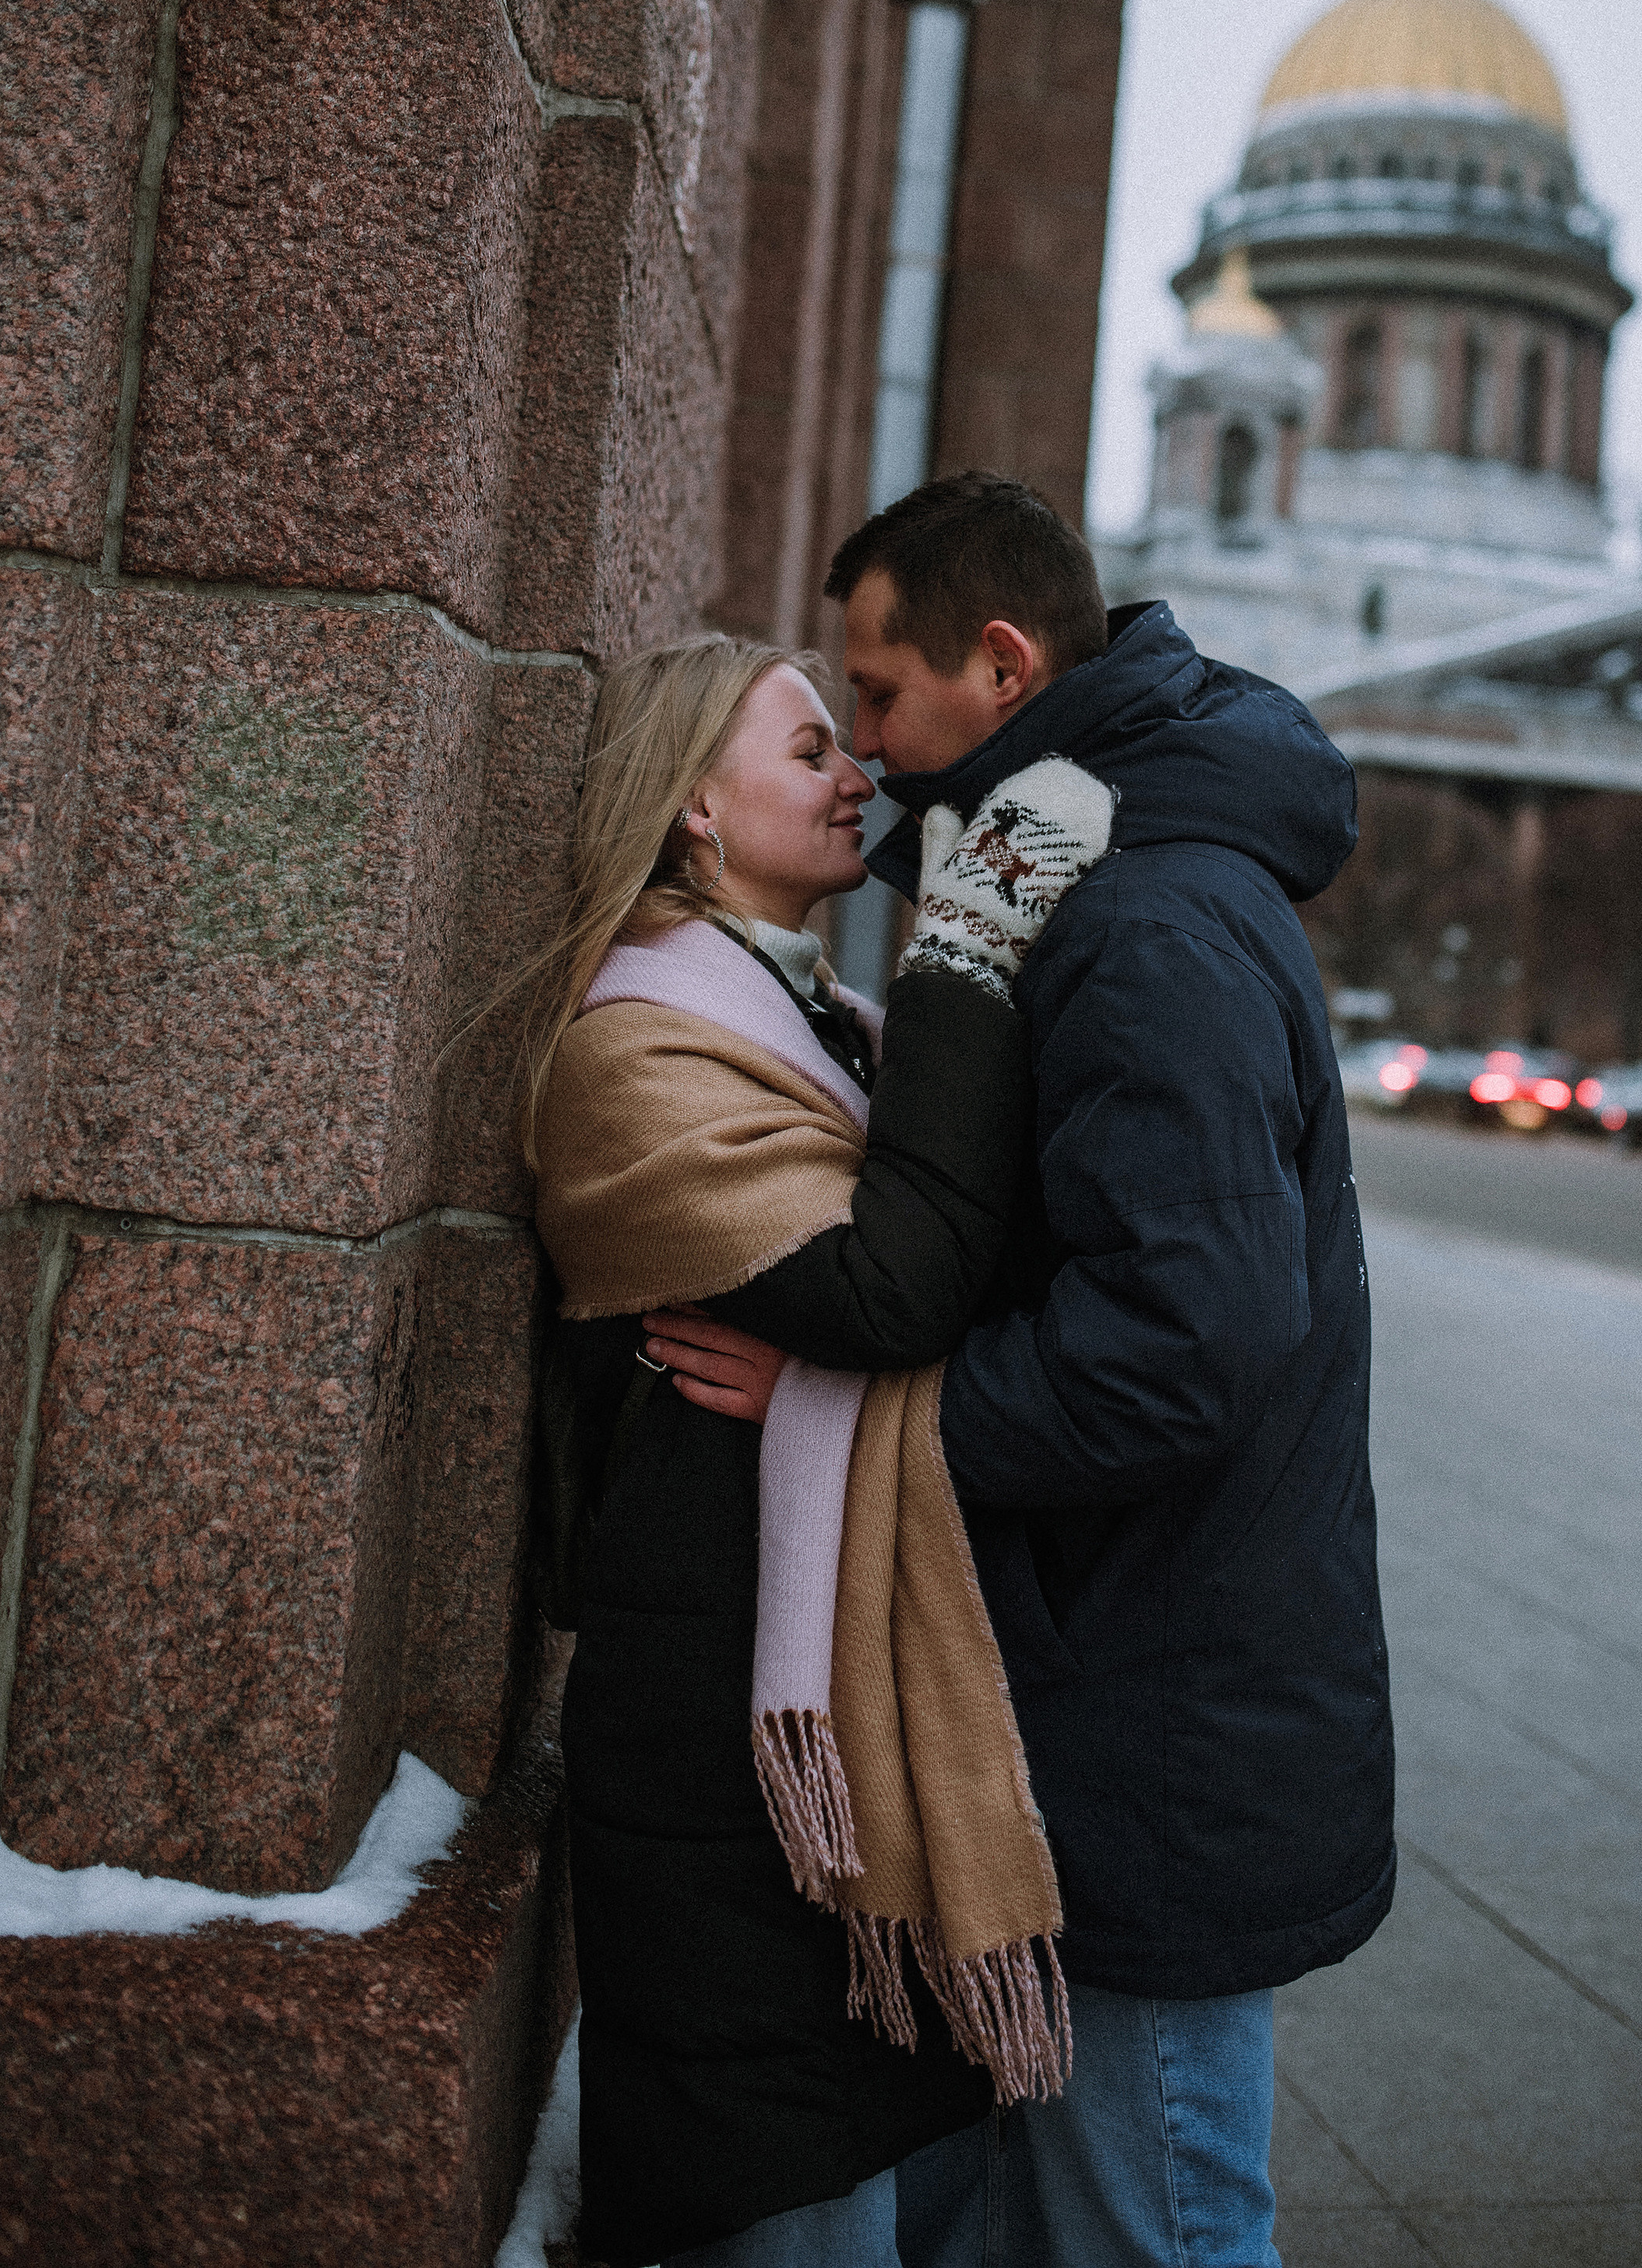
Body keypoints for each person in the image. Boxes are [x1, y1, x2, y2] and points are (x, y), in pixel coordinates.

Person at [652, 474, 1394, 2268]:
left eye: (884, 700)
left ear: (1000, 666)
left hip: (1150, 1724)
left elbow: (1183, 1350)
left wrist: (861, 1408)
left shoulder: (1141, 923)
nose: (876, 757)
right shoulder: (1075, 874)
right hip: (1110, 1694)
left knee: (1149, 2231)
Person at [523, 630, 1113, 2268]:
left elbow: (947, 1284)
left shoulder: (828, 1028)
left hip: (827, 1715)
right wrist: (966, 962)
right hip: (724, 1728)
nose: (860, 772)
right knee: (790, 2206)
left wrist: (826, 1378)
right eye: (808, 749)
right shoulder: (636, 1046)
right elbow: (903, 1281)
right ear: (694, 809)